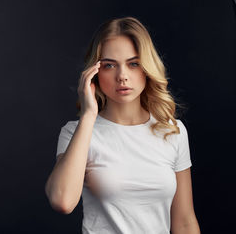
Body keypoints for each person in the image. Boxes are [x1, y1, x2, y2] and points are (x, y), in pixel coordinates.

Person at [44, 17, 201, 234]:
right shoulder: (77, 132)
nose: (122, 76)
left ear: (147, 68)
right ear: (95, 73)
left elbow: (184, 221)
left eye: (133, 63)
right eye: (109, 65)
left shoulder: (172, 131)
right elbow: (62, 201)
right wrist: (89, 116)